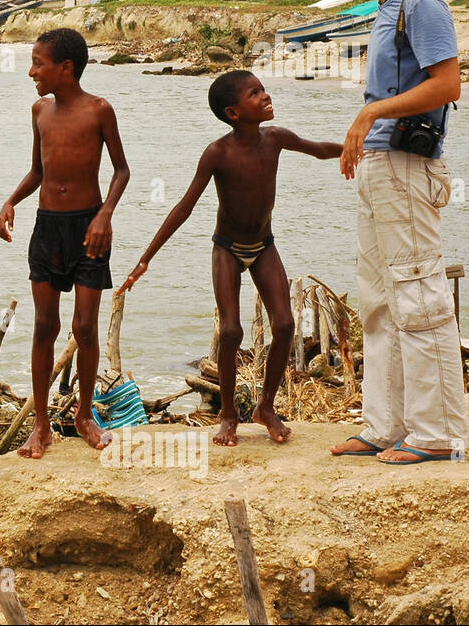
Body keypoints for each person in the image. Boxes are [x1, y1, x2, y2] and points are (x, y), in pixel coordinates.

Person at [119, 72, 342, 445]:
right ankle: (227, 416)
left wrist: (360, 144)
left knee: (285, 324)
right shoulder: (217, 152)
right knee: (231, 331)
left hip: (264, 245)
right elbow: (185, 207)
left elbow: (318, 149)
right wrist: (145, 260)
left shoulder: (276, 139)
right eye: (255, 94)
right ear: (233, 112)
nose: (266, 95)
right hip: (226, 248)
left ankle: (265, 407)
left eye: (262, 89)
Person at [328, 0, 466, 465]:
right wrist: (362, 135)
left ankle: (435, 433)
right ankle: (384, 425)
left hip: (409, 164)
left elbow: (448, 83)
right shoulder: (386, 9)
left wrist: (372, 114)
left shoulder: (421, 5)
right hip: (382, 167)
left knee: (419, 294)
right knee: (380, 298)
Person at [0, 28, 130, 456]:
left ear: (65, 68)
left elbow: (121, 170)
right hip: (47, 228)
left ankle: (84, 415)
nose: (32, 72)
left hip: (90, 228)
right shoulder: (39, 111)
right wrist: (11, 201)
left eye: (38, 63)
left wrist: (105, 215)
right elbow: (38, 171)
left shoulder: (99, 110)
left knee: (85, 327)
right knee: (44, 326)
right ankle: (41, 426)